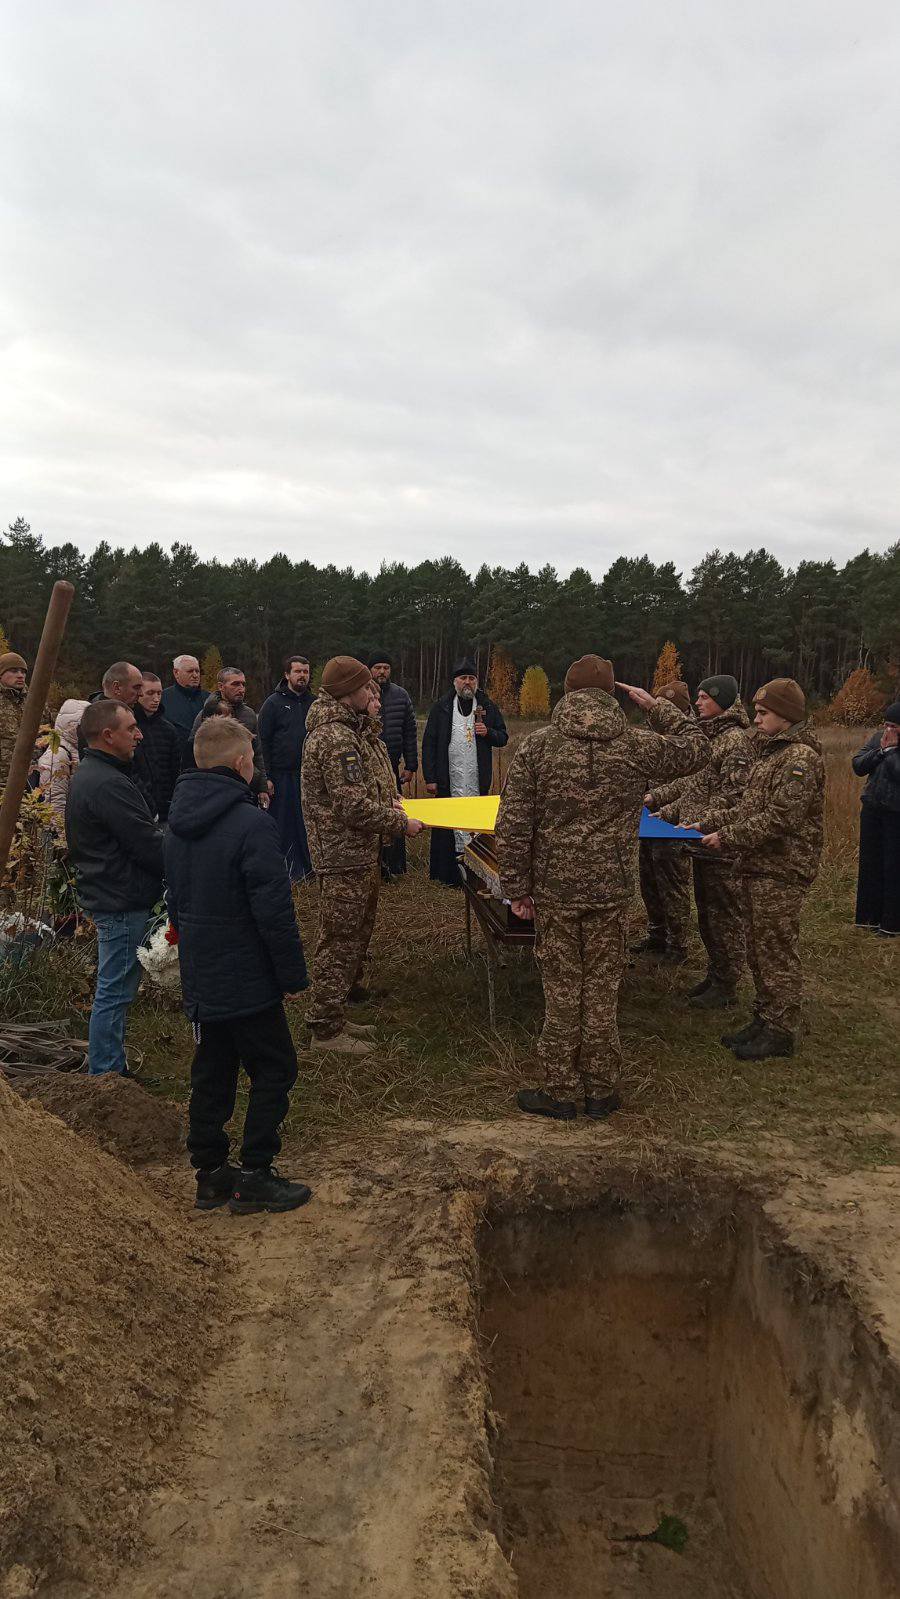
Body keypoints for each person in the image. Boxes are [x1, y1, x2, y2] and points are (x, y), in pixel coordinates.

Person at [494, 654, 708, 1121]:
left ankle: (560, 1089)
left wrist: (517, 889)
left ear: (567, 692)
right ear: (611, 693)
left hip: (554, 889)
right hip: (611, 888)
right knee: (603, 986)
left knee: (562, 986)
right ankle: (600, 1090)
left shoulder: (538, 748)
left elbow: (512, 825)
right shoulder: (636, 746)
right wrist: (657, 707)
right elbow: (698, 747)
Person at [165, 716, 312, 1215]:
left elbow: (178, 902)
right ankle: (255, 1173)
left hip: (203, 974)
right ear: (240, 762)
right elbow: (274, 912)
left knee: (213, 1070)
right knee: (275, 1067)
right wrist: (292, 977)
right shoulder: (252, 824)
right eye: (252, 756)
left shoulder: (177, 821)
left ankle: (209, 1173)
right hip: (247, 976)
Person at [690, 678, 824, 1062]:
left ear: (786, 715)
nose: (755, 719)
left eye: (763, 713)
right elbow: (749, 806)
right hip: (757, 865)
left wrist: (726, 837)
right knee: (758, 947)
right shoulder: (771, 754)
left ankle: (781, 1029)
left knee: (775, 949)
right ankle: (764, 1018)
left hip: (782, 867)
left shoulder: (799, 759)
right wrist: (710, 823)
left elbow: (780, 818)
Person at [301, 656, 423, 1054]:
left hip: (357, 851)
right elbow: (351, 806)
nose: (373, 693)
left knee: (354, 933)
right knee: (339, 938)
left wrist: (391, 803)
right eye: (366, 687)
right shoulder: (335, 738)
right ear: (347, 691)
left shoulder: (350, 731)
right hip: (342, 853)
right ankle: (325, 1029)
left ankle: (336, 1012)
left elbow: (365, 789)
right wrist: (398, 823)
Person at [65, 700, 164, 1076]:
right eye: (131, 728)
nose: (139, 734)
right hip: (119, 898)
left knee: (117, 987)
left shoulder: (96, 774)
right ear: (108, 735)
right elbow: (146, 843)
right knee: (115, 990)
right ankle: (106, 1075)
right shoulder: (106, 783)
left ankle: (111, 1066)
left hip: (112, 892)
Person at [648, 673, 753, 1008]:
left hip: (719, 844)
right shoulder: (713, 738)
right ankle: (716, 974)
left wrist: (702, 823)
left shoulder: (734, 742)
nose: (698, 702)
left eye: (705, 697)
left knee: (723, 914)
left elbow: (735, 800)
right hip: (700, 841)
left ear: (721, 701)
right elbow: (696, 790)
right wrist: (663, 811)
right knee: (708, 914)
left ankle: (728, 984)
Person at [421, 658, 508, 886]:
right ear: (455, 682)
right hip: (448, 776)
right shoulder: (441, 707)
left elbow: (503, 737)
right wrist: (430, 778)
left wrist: (487, 732)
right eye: (463, 678)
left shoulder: (487, 707)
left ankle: (476, 874)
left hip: (477, 778)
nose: (467, 683)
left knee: (474, 821)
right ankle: (448, 875)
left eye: (471, 678)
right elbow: (429, 743)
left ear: (476, 682)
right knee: (449, 821)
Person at [634, 680, 694, 963]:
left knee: (673, 883)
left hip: (675, 822)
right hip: (649, 821)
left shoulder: (694, 739)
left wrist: (665, 803)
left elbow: (693, 782)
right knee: (649, 879)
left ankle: (678, 945)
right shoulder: (653, 731)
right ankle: (656, 934)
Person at [258, 655, 314, 882]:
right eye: (298, 671)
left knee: (307, 822)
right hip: (281, 776)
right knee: (284, 823)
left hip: (308, 776)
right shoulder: (273, 703)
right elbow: (263, 741)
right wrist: (266, 777)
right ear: (287, 675)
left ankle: (310, 868)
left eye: (306, 671)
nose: (302, 675)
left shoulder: (314, 703)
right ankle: (287, 870)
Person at [80, 661, 157, 814]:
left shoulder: (137, 714)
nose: (141, 693)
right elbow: (126, 772)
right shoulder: (94, 723)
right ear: (116, 687)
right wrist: (148, 809)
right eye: (136, 687)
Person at [852, 699, 900, 939]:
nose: (889, 730)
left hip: (896, 814)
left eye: (894, 726)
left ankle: (891, 925)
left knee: (893, 868)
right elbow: (858, 765)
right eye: (887, 724)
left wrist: (890, 753)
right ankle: (867, 920)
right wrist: (881, 751)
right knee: (870, 865)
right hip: (872, 809)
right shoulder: (877, 739)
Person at [368, 652, 418, 880]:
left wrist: (411, 764)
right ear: (370, 670)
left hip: (393, 767)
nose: (381, 672)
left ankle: (394, 866)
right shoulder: (363, 696)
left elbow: (410, 732)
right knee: (373, 815)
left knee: (396, 811)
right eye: (377, 667)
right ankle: (375, 865)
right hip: (368, 769)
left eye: (385, 668)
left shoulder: (401, 695)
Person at [192, 666, 270, 806]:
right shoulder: (206, 715)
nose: (241, 688)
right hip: (215, 788)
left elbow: (257, 752)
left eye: (243, 684)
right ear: (221, 686)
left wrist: (262, 787)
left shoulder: (249, 715)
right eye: (235, 684)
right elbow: (195, 753)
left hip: (247, 785)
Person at [183, 694, 269, 802]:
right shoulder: (195, 746)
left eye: (231, 717)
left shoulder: (238, 739)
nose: (230, 721)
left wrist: (262, 786)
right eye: (224, 718)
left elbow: (257, 756)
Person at [135, 672, 181, 822]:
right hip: (138, 805)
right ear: (139, 693)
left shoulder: (168, 729)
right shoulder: (129, 726)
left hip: (166, 805)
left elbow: (175, 769)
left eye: (159, 693)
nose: (156, 699)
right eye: (150, 693)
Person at [37, 698, 90, 826]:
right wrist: (61, 838)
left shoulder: (80, 749)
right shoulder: (57, 755)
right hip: (62, 834)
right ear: (73, 725)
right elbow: (54, 802)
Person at [161, 655, 210, 754]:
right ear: (176, 673)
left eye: (197, 671)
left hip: (205, 758)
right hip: (174, 759)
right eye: (190, 671)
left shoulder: (209, 699)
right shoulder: (162, 698)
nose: (195, 675)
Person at [0, 651, 29, 789]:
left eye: (23, 672)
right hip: (2, 778)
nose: (20, 675)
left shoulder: (34, 701)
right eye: (13, 670)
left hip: (29, 778)